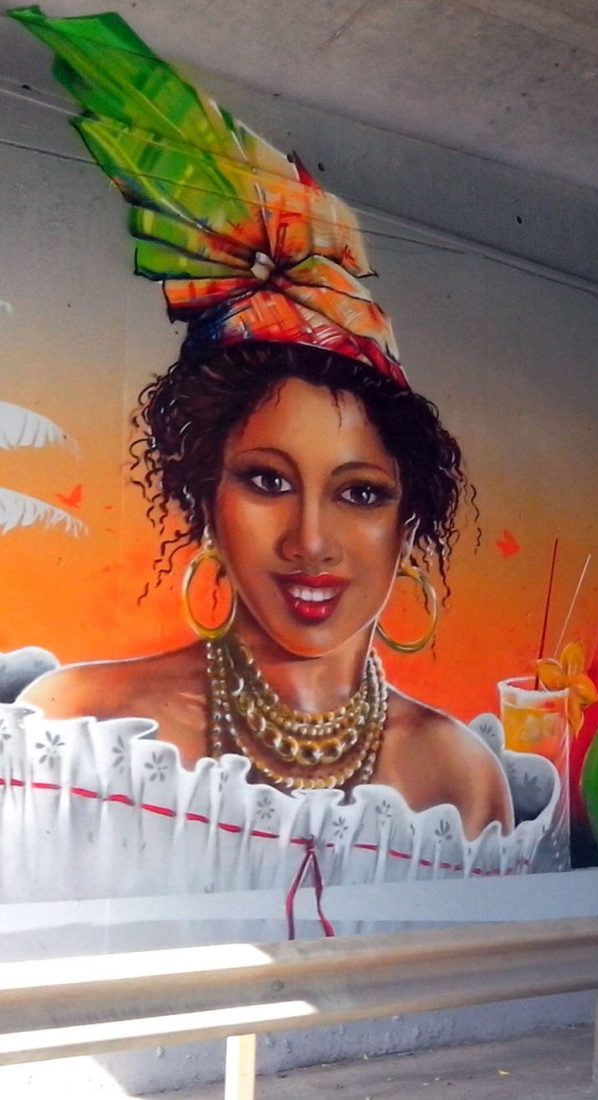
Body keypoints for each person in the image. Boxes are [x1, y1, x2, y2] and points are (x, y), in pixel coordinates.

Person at [21, 340, 514, 839]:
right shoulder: (79, 724)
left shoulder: (460, 779)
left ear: (407, 527)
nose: (311, 543)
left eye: (360, 493)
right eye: (268, 481)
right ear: (208, 505)